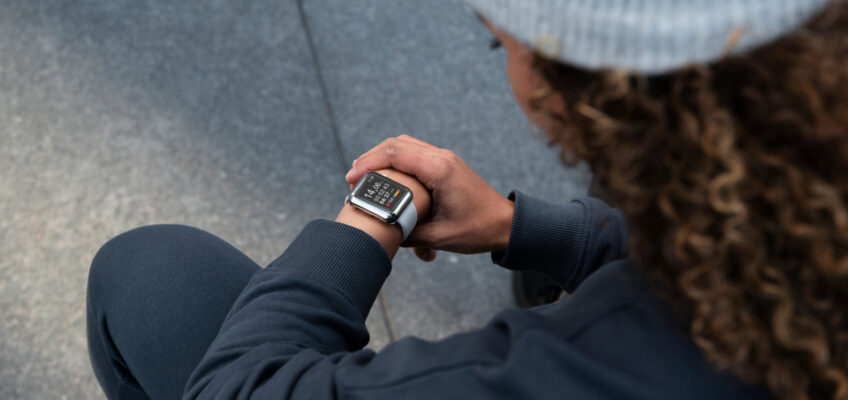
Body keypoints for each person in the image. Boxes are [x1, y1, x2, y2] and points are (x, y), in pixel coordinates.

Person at [86, 0, 848, 399]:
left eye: (503, 43)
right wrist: (535, 231)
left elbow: (234, 390)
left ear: (574, 85)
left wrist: (366, 223)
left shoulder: (611, 365)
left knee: (150, 270)